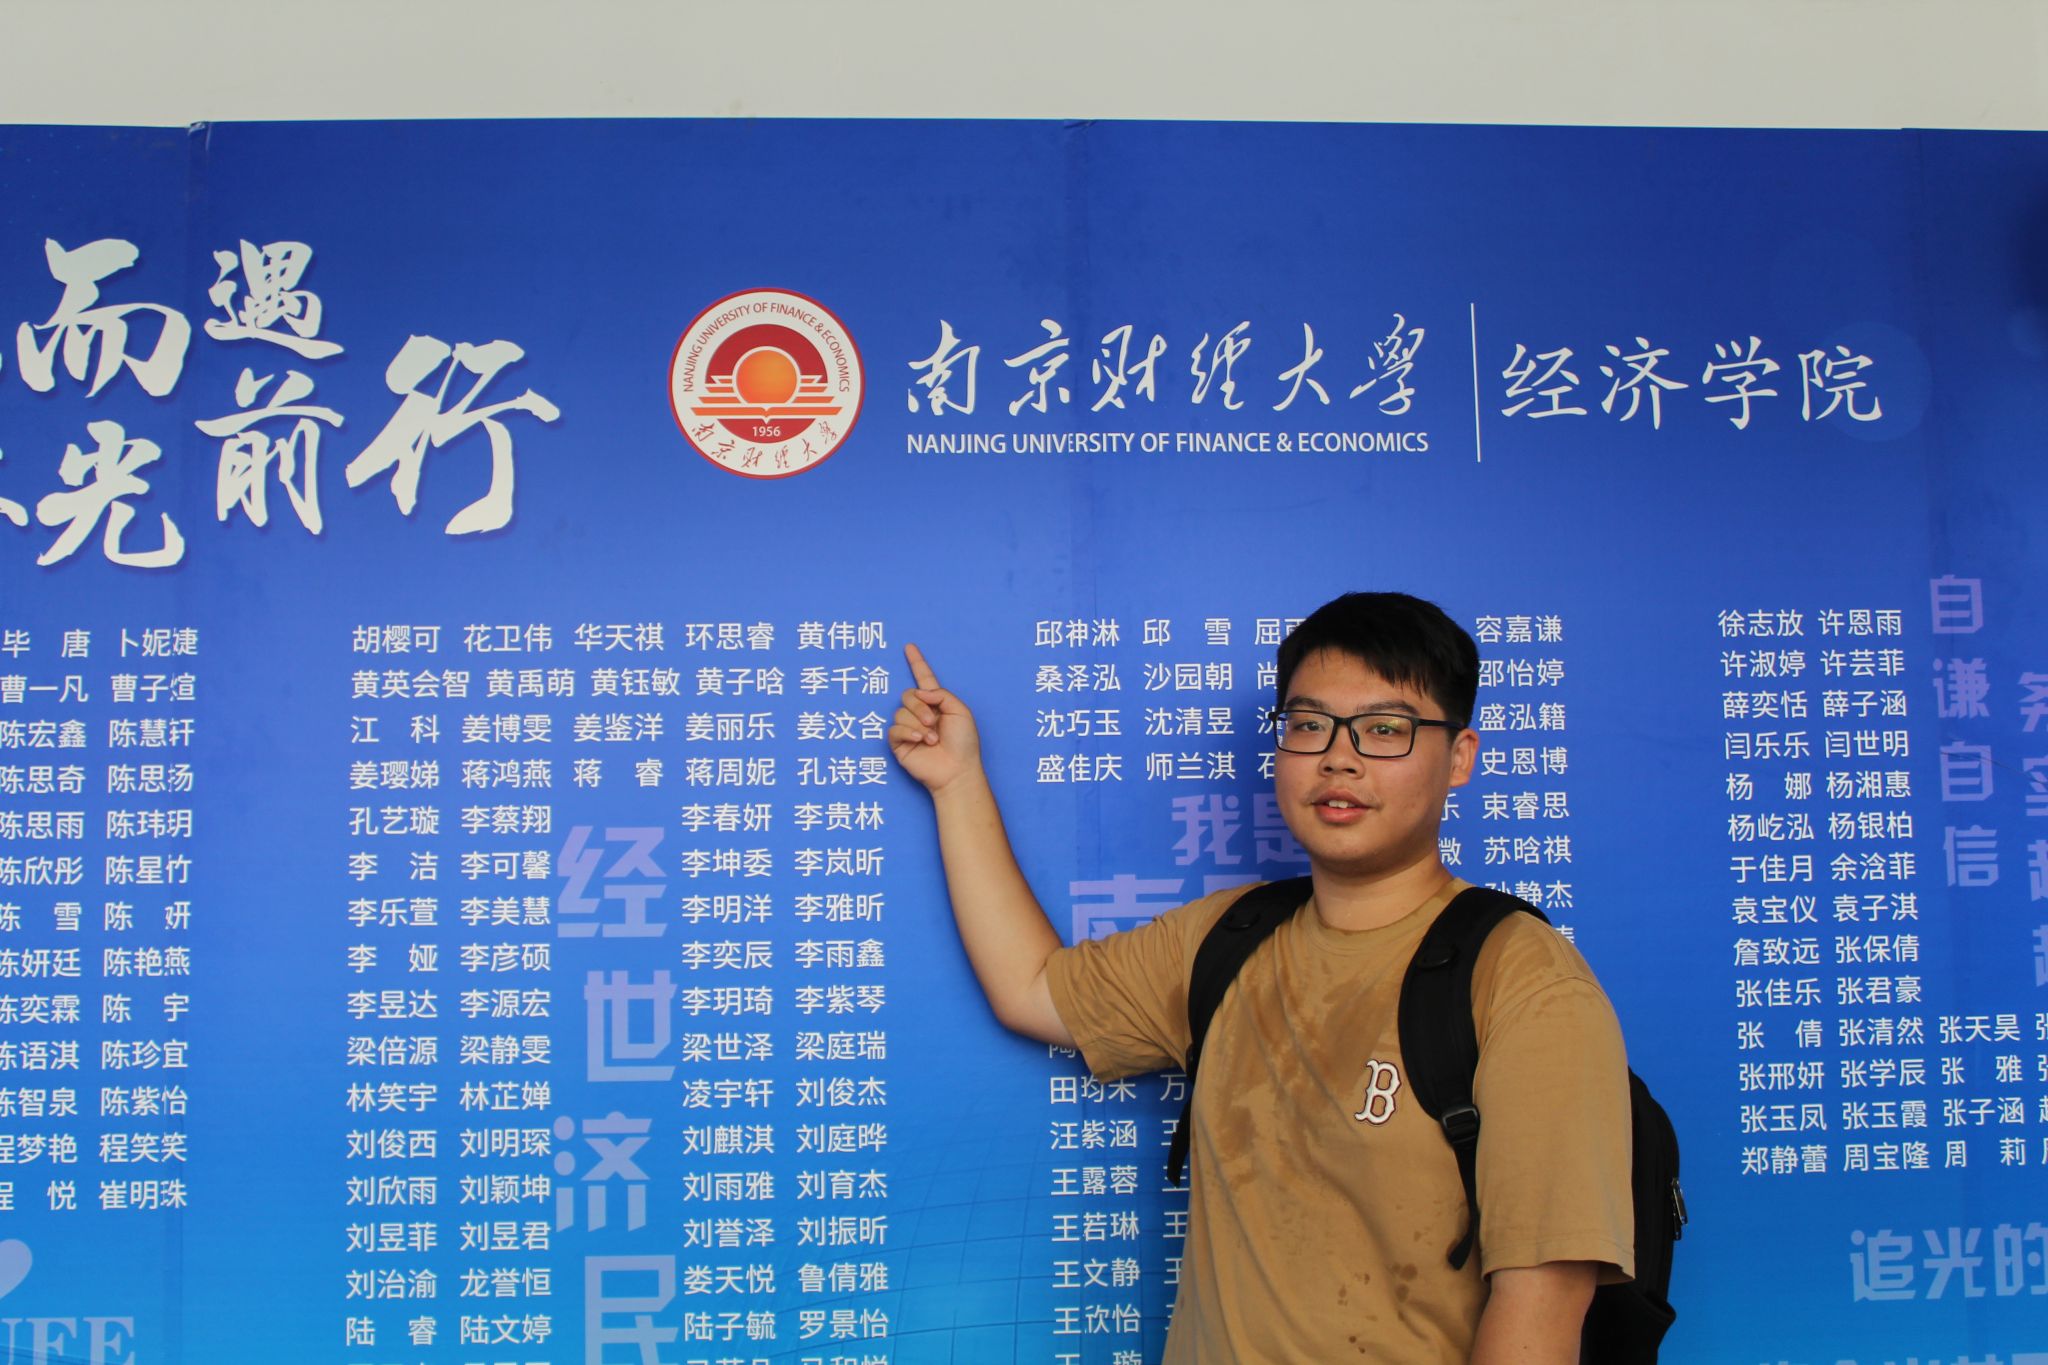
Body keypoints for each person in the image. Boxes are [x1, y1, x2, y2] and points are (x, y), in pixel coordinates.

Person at [889, 591, 1634, 1363]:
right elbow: (1033, 990)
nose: (1338, 757)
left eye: (1385, 729)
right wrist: (957, 781)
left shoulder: (1522, 979)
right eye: (1310, 725)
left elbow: (1542, 1308)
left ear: (1460, 757)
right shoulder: (1232, 937)